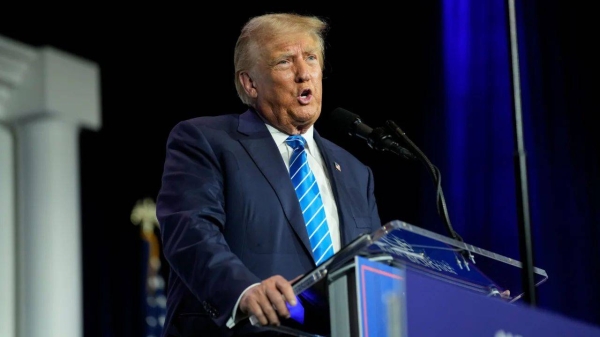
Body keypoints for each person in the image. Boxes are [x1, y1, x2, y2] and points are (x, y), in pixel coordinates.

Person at [155, 12, 382, 337]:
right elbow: (191, 232)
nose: (304, 74)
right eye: (285, 63)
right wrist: (244, 291)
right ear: (250, 83)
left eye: (311, 58)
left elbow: (372, 268)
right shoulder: (206, 140)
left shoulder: (357, 174)